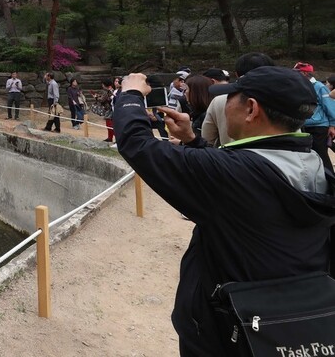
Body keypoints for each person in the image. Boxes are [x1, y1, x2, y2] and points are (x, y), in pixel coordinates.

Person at [114, 66, 335, 356]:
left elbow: (138, 146)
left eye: (230, 97)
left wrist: (129, 95)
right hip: (297, 322)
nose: (224, 104)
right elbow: (248, 177)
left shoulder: (228, 175)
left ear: (251, 109)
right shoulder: (315, 166)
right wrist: (195, 142)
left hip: (228, 329)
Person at [202, 52, 274, 147]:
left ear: (236, 74)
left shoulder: (218, 101)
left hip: (229, 158)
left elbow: (207, 140)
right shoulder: (282, 99)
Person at [293, 62, 335, 172]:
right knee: (308, 156)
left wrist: (332, 125)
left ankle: (330, 182)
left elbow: (329, 106)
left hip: (319, 127)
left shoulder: (319, 87)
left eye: (296, 73)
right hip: (304, 126)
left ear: (304, 73)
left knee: (321, 156)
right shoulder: (299, 87)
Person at [182, 74, 212, 139]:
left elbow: (205, 144)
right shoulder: (197, 112)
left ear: (196, 92)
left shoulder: (206, 116)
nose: (184, 93)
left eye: (186, 90)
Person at [91, 78, 115, 142]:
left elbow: (102, 100)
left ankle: (115, 137)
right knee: (111, 124)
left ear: (104, 85)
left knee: (109, 124)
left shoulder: (105, 91)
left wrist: (96, 97)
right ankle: (110, 137)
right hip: (112, 108)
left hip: (109, 109)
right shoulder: (112, 90)